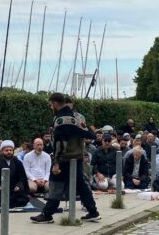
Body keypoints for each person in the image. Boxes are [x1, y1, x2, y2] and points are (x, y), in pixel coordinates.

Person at [31, 93, 100, 224]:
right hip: (77, 156)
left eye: (51, 105)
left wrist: (56, 163)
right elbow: (89, 135)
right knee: (81, 185)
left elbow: (60, 142)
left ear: (55, 103)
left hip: (64, 158)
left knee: (56, 185)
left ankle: (47, 214)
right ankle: (93, 211)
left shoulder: (60, 119)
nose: (51, 107)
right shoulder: (78, 116)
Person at [0, 140, 30, 208]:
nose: (9, 152)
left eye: (10, 150)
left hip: (14, 189)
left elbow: (22, 177)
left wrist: (19, 185)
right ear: (2, 151)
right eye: (6, 150)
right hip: (1, 189)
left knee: (22, 198)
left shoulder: (17, 162)